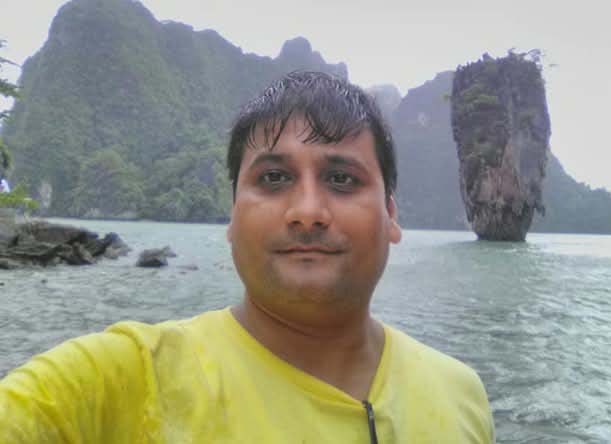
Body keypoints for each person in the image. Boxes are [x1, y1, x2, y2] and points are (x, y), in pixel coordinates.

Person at [0, 71, 495, 443]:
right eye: (273, 178)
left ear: (390, 214)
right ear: (232, 217)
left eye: (342, 179)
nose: (307, 212)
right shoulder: (123, 380)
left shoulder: (461, 395)